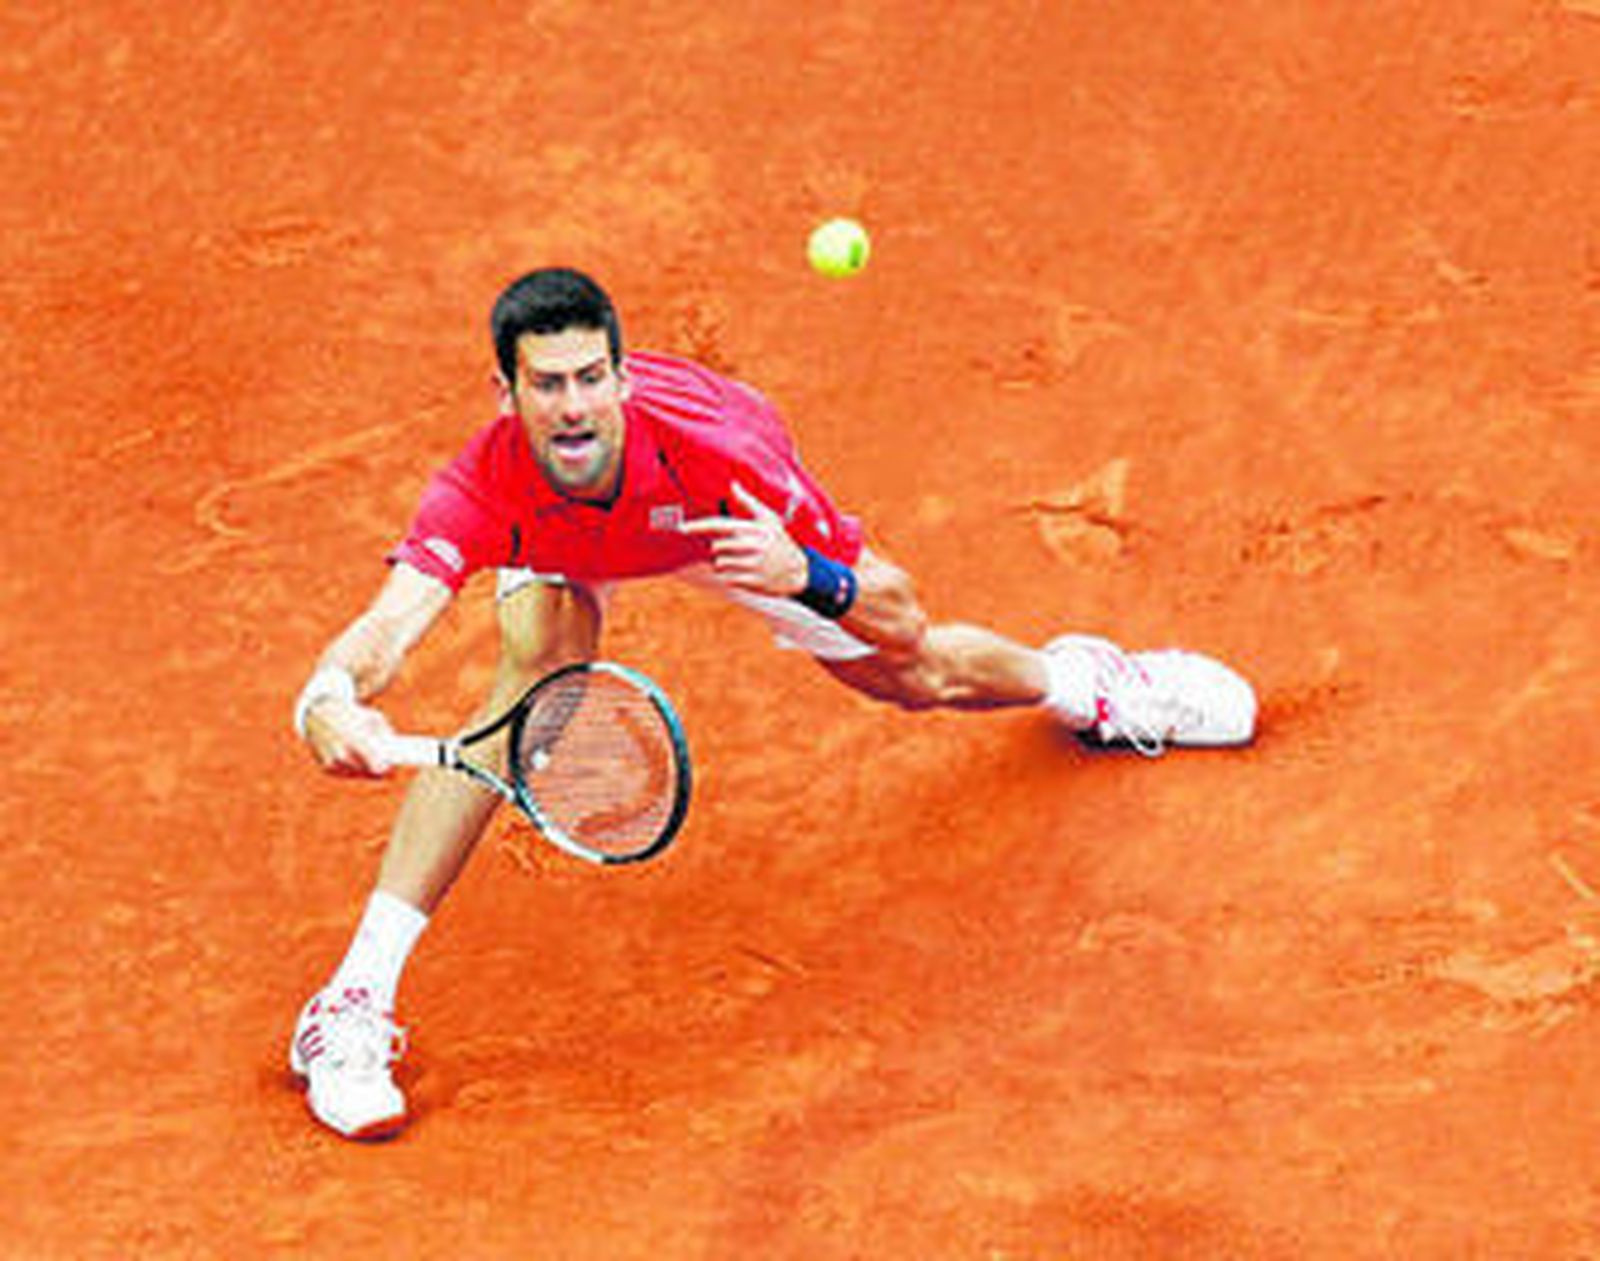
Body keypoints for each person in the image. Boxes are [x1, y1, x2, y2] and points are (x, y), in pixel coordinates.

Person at [287, 266, 1256, 1140]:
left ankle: (1089, 683)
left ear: (622, 378)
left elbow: (900, 612)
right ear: (507, 395)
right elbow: (388, 627)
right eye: (547, 384)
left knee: (913, 674)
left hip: (714, 532)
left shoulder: (726, 455)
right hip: (565, 556)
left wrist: (809, 573)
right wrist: (329, 698)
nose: (573, 406)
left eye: (591, 378)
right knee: (529, 683)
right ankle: (351, 1003)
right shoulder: (478, 485)